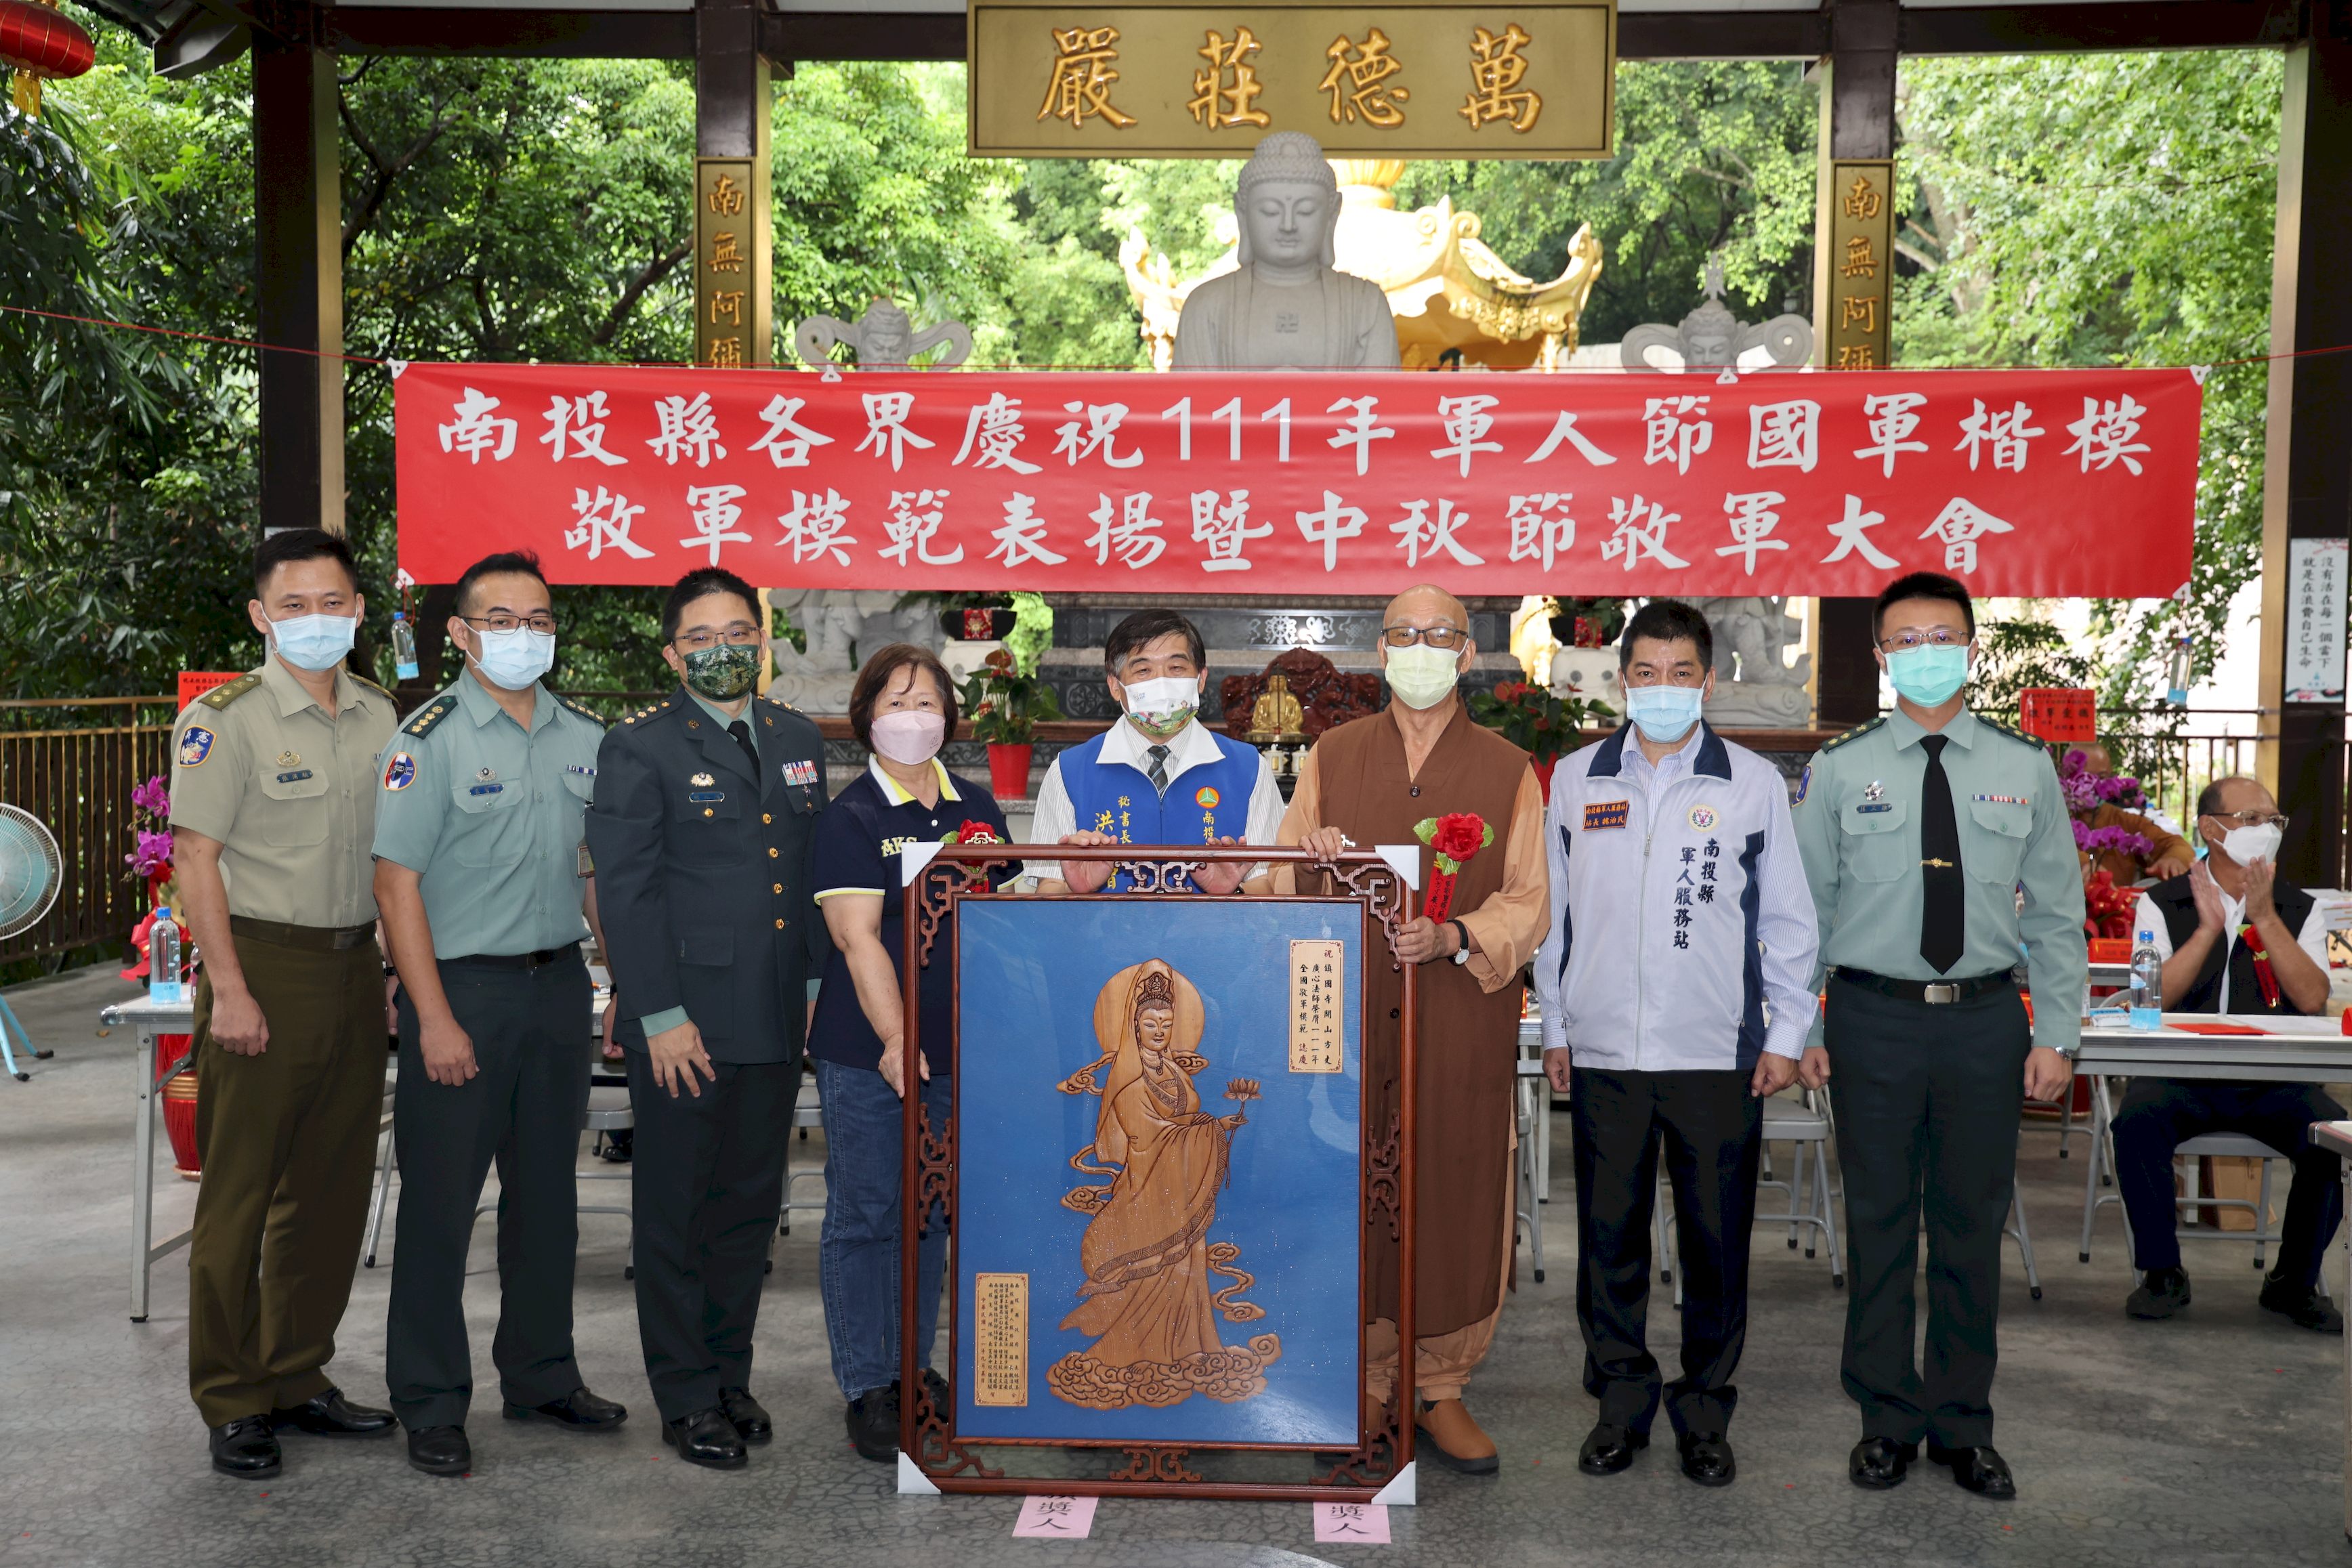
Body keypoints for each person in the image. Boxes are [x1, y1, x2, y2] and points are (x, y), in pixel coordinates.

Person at [1792, 571, 2085, 1501]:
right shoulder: (1840, 767)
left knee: (1969, 1227)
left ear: (1970, 646)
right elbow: (1803, 912)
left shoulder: (2023, 765)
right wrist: (1802, 1022)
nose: (1925, 651)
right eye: (1905, 638)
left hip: (1987, 1023)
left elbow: (2059, 917)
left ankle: (1963, 1424)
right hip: (1871, 1019)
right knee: (1880, 1227)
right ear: (1881, 656)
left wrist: (2060, 1034)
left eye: (1941, 634)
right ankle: (1884, 1419)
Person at [1534, 600, 1818, 1488]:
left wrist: (1785, 1032)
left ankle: (1704, 1409)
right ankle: (1622, 1402)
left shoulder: (1751, 782)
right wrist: (1557, 1021)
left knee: (1716, 1240)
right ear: (1625, 681)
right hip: (1608, 1052)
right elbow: (1556, 915)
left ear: (1707, 678)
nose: (1663, 689)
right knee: (1607, 1238)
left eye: (1682, 673)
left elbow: (1789, 918)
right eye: (1646, 673)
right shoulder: (1581, 778)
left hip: (1716, 1053)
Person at [1276, 583, 1550, 1475]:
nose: (1422, 649)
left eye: (1440, 635)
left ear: (1467, 654)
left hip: (1459, 1011)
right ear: (1380, 649)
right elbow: (1275, 881)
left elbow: (1530, 902)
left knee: (1455, 1179)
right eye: (1405, 634)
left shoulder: (1509, 768)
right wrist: (1310, 860)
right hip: (1351, 1019)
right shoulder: (1334, 752)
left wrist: (1457, 934)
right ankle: (1363, 1375)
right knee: (1349, 1181)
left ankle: (1440, 1385)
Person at [369, 550, 628, 1477]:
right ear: (464, 634)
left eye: (540, 619)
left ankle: (541, 1371)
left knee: (548, 1200)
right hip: (462, 990)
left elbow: (595, 872)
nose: (526, 635)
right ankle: (432, 1399)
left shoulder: (584, 736)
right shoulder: (427, 738)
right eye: (504, 619)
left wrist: (619, 984)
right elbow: (395, 884)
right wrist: (432, 1016)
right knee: (441, 1203)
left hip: (558, 987)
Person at [168, 528, 402, 1479]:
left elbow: (392, 858)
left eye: (333, 602)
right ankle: (230, 1398)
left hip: (352, 969)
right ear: (264, 616)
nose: (317, 620)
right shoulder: (227, 720)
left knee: (331, 1191)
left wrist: (389, 968)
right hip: (260, 965)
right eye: (294, 605)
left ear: (356, 612)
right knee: (239, 1198)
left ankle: (296, 1374)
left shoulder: (382, 713)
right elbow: (195, 858)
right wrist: (229, 988)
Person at [585, 566, 827, 1471]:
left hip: (773, 1013)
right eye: (701, 636)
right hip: (683, 1019)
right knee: (676, 1213)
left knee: (746, 1208)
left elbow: (806, 881)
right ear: (671, 651)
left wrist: (812, 990)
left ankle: (730, 1372)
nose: (722, 648)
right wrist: (658, 1012)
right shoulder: (640, 748)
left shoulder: (799, 737)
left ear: (762, 642)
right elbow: (628, 891)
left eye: (739, 631)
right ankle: (684, 1394)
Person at [808, 644, 1013, 1462]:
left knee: (929, 1212)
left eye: (928, 700)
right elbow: (859, 940)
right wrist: (898, 1037)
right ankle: (868, 1383)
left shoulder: (978, 809)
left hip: (964, 1050)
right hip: (871, 1052)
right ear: (866, 716)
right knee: (867, 1212)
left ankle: (912, 1367)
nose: (913, 713)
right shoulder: (852, 816)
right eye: (896, 699)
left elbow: (1004, 921)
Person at [2112, 776, 2343, 1331]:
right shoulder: (2161, 903)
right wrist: (2208, 929)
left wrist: (2264, 917)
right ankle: (2162, 1272)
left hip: (2274, 1079)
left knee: (2331, 1137)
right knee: (2136, 1123)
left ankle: (2292, 1281)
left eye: (2274, 819)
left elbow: (2313, 998)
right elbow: (2151, 996)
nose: (2267, 830)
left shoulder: (2299, 907)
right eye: (2251, 818)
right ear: (2211, 830)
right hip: (2181, 1075)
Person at [1026, 608, 1283, 895]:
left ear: (1200, 678)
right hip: (1103, 939)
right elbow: (1050, 886)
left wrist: (1232, 892)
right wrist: (1076, 890)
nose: (1162, 683)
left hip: (1214, 939)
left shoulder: (1249, 769)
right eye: (1143, 670)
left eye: (1176, 668)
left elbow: (1265, 887)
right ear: (1115, 686)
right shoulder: (1069, 772)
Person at [2066, 741, 2192, 886]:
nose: (2092, 785)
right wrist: (2082, 862)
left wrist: (2173, 859)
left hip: (2115, 906)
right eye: (2083, 777)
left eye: (2101, 777)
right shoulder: (2051, 817)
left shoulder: (2123, 820)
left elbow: (2175, 844)